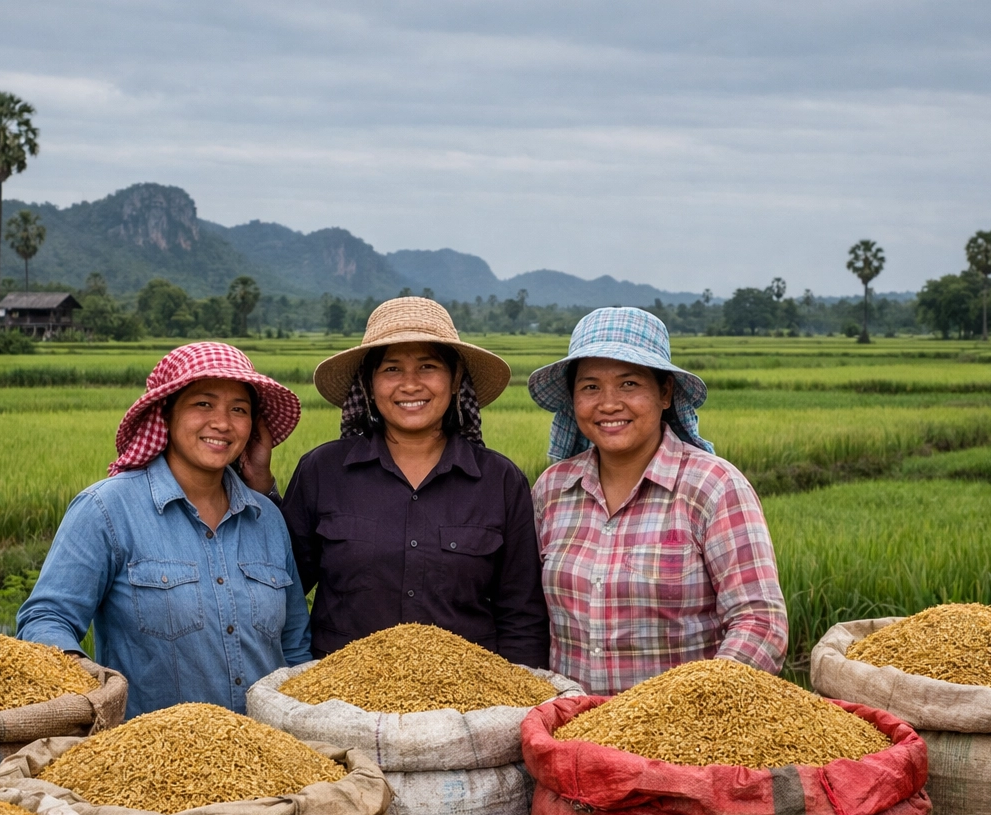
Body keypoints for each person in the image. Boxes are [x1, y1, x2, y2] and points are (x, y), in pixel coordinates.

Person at [16, 342, 310, 718]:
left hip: (263, 756)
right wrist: (90, 684)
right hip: (151, 757)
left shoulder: (267, 518)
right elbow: (46, 619)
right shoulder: (107, 509)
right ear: (165, 415)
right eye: (203, 404)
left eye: (239, 409)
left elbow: (296, 647)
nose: (222, 422)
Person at [254, 298, 549, 668]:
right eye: (392, 369)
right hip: (340, 698)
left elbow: (522, 615)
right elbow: (281, 588)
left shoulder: (499, 481)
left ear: (456, 379)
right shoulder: (322, 471)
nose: (410, 384)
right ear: (370, 383)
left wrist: (516, 701)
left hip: (469, 701)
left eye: (428, 366)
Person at [527, 307, 786, 695]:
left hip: (681, 740)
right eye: (590, 386)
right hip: (571, 734)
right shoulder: (552, 490)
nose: (609, 403)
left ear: (665, 393)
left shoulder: (714, 487)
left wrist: (690, 709)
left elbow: (760, 623)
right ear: (573, 398)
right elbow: (527, 615)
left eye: (629, 384)